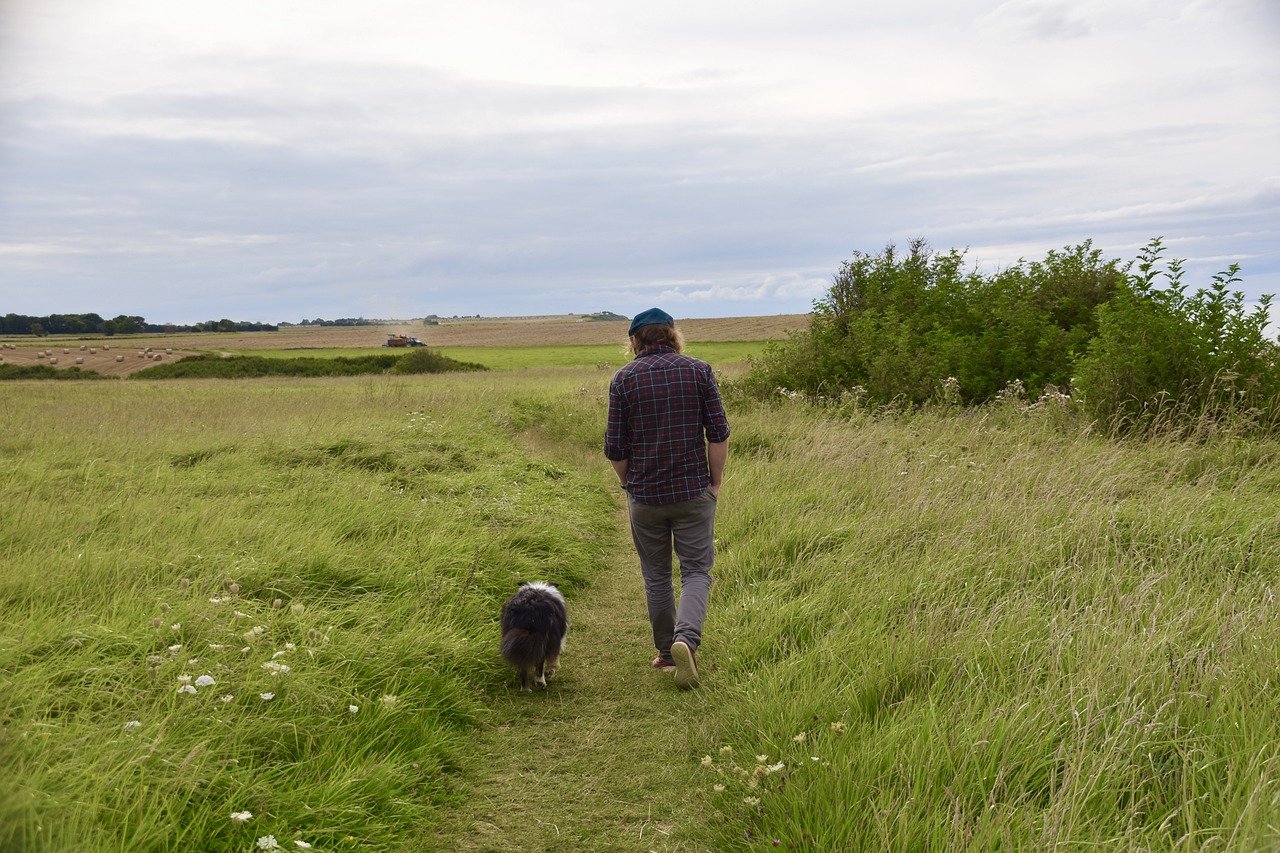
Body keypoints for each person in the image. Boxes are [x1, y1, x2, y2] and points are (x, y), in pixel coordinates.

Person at [604, 308, 730, 689]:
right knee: (696, 572)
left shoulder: (623, 380)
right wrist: (715, 482)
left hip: (645, 497)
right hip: (693, 491)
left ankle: (666, 653)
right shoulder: (699, 371)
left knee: (656, 575)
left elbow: (615, 449)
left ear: (634, 341)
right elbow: (718, 434)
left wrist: (629, 484)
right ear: (673, 335)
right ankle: (685, 640)